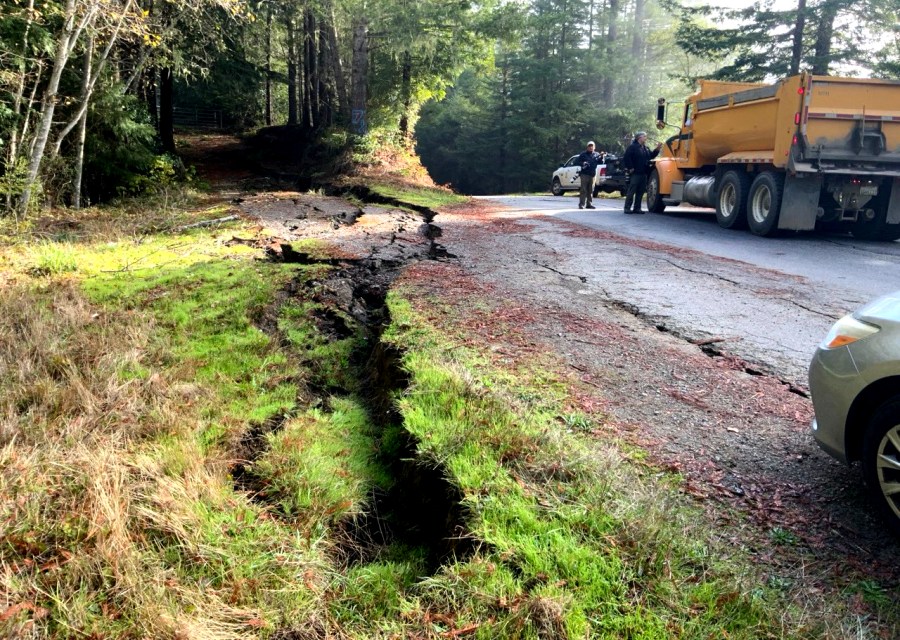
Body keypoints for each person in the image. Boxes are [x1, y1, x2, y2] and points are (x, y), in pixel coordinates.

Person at [623, 131, 662, 214]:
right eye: (644, 136)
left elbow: (651, 156)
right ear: (639, 138)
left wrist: (657, 149)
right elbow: (627, 158)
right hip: (635, 173)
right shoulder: (632, 147)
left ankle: (637, 208)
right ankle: (627, 208)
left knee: (640, 192)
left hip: (644, 173)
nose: (646, 138)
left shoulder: (645, 148)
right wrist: (630, 168)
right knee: (631, 191)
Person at [576, 141, 602, 210]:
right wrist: (583, 163)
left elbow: (601, 162)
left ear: (594, 147)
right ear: (587, 147)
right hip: (584, 174)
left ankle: (589, 204)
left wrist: (602, 157)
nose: (591, 147)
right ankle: (581, 204)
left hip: (593, 174)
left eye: (592, 146)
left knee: (591, 190)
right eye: (589, 146)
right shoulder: (583, 154)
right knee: (583, 190)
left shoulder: (596, 154)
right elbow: (577, 162)